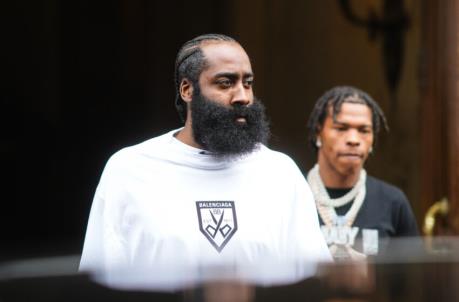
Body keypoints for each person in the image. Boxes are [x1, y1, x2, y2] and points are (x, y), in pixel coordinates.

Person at [79, 34, 331, 288]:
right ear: (187, 90)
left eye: (248, 83)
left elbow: (315, 284)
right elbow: (98, 287)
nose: (242, 96)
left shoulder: (280, 173)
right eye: (225, 83)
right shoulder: (129, 169)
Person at [306, 85, 419, 260]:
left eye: (364, 130)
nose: (353, 140)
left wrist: (373, 275)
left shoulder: (393, 202)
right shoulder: (292, 196)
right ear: (318, 133)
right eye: (341, 128)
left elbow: (413, 280)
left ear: (373, 139)